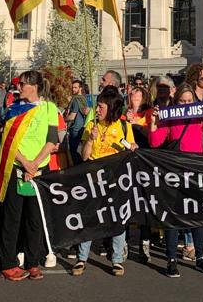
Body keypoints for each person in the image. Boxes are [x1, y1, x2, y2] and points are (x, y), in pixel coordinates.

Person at [149, 83, 203, 277]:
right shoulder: (170, 118)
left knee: (197, 216)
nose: (185, 104)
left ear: (194, 101)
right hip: (175, 173)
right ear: (176, 102)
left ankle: (200, 257)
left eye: (189, 101)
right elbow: (155, 141)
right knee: (174, 216)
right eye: (182, 101)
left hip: (196, 171)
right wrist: (153, 121)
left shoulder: (199, 117)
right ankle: (171, 259)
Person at [0, 70, 60, 281]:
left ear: (35, 86)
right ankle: (8, 263)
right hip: (16, 168)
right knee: (12, 218)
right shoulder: (13, 109)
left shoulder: (49, 108)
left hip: (40, 169)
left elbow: (52, 140)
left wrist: (35, 164)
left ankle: (33, 261)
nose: (19, 87)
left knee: (35, 218)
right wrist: (25, 164)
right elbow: (7, 142)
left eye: (23, 84)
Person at [72, 87, 135, 277]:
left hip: (115, 180)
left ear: (111, 107)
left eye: (100, 106)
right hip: (93, 179)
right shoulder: (91, 125)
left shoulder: (124, 126)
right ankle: (81, 258)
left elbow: (130, 153)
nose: (97, 110)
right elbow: (84, 156)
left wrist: (132, 149)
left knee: (117, 219)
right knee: (89, 218)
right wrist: (90, 140)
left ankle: (116, 259)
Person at [65, 79, 90, 160]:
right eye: (72, 87)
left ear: (80, 88)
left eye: (75, 88)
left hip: (75, 129)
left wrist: (63, 119)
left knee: (72, 151)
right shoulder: (84, 98)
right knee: (80, 150)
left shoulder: (75, 99)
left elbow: (72, 116)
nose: (73, 89)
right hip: (82, 127)